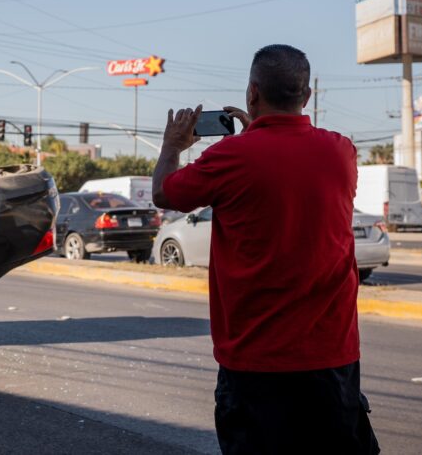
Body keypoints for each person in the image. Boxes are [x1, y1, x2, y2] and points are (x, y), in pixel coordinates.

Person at [152, 44, 379, 455]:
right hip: (332, 362)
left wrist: (172, 145)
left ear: (251, 94)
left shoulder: (228, 157)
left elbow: (163, 194)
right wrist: (256, 133)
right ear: (306, 97)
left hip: (254, 367)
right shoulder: (341, 151)